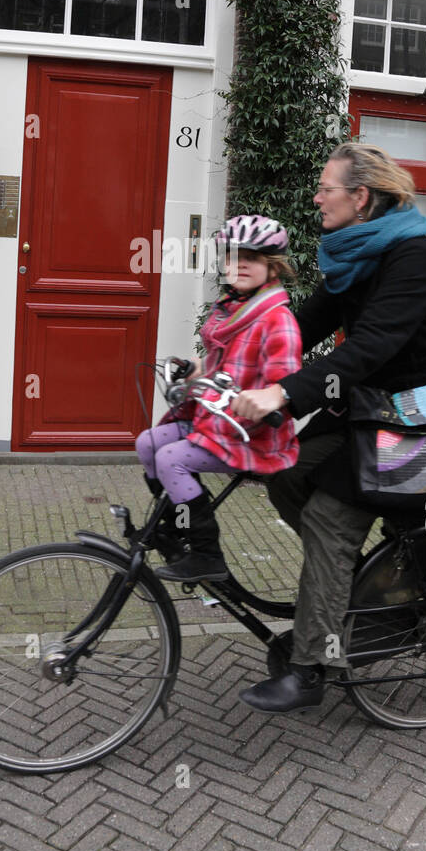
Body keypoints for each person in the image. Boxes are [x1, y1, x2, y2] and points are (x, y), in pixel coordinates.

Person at [229, 143, 426, 714]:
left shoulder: (412, 259)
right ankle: (352, 591)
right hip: (374, 416)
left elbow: (370, 347)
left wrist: (283, 393)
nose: (316, 196)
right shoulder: (355, 255)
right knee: (284, 470)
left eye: (326, 187)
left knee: (330, 517)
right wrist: (231, 365)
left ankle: (310, 669)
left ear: (360, 197)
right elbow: (301, 326)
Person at [135, 215, 302, 583]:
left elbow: (282, 387)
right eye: (232, 255)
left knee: (171, 459)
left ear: (272, 267)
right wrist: (194, 369)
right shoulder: (232, 309)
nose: (240, 263)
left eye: (253, 257)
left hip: (253, 436)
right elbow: (221, 366)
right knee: (147, 443)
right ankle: (178, 530)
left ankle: (208, 556)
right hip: (215, 422)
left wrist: (262, 402)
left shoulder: (277, 321)